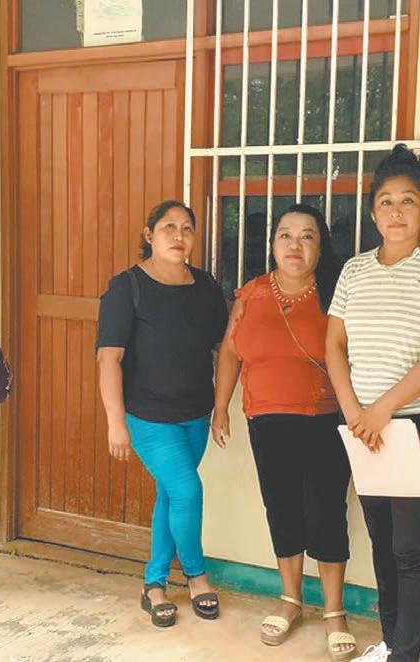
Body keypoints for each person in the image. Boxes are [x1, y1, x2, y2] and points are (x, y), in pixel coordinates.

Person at [325, 145, 420, 662]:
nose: (396, 212)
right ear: (372, 212)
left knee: (408, 548)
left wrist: (382, 409)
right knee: (384, 546)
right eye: (386, 201)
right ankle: (392, 645)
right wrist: (354, 413)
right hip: (365, 429)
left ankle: (404, 655)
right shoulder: (354, 272)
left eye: (408, 201)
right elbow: (334, 345)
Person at [211, 204, 356, 660]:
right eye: (285, 235)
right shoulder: (252, 293)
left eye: (307, 236)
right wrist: (221, 405)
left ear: (321, 246)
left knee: (326, 511)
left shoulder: (336, 293)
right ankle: (291, 599)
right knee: (282, 507)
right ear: (273, 243)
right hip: (266, 419)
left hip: (325, 418)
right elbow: (230, 351)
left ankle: (334, 611)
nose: (295, 245)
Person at [96, 200, 228, 628]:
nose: (179, 236)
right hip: (148, 417)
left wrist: (221, 406)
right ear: (149, 234)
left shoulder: (206, 288)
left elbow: (224, 348)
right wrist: (115, 421)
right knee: (188, 491)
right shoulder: (127, 287)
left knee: (170, 496)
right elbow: (109, 359)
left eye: (187, 228)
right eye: (169, 227)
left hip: (195, 414)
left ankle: (154, 584)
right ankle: (196, 575)